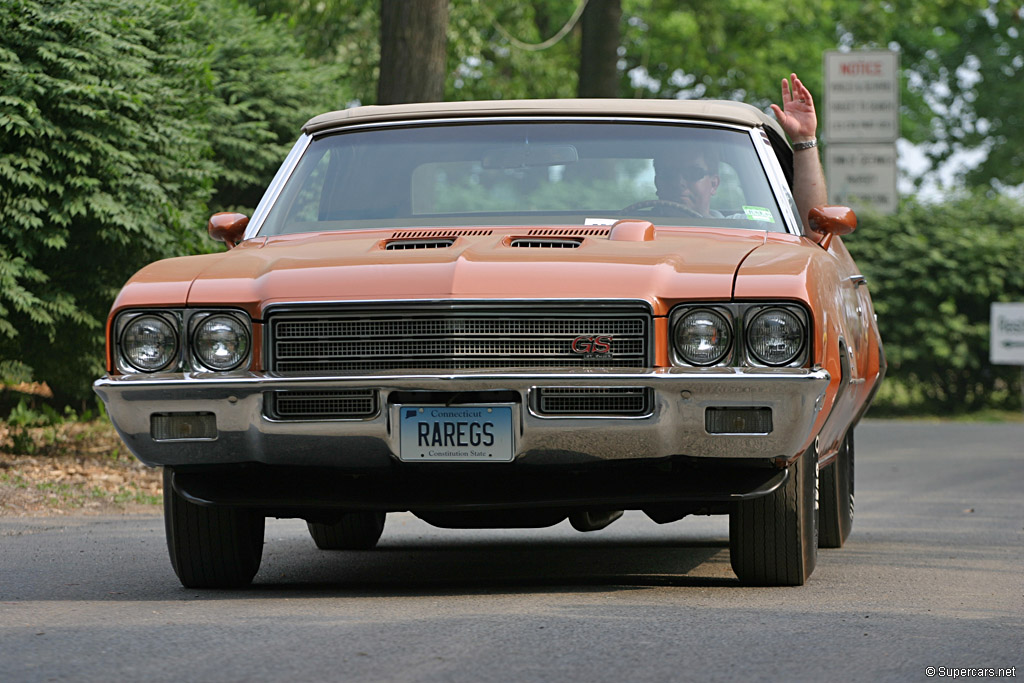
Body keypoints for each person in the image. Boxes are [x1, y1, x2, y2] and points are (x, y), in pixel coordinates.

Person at [650, 73, 828, 232]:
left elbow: (813, 228)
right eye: (668, 174)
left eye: (693, 173)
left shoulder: (747, 229)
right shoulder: (625, 229)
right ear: (657, 181)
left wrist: (804, 139)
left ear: (714, 183)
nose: (680, 182)